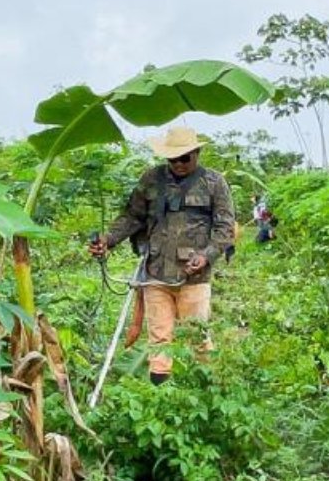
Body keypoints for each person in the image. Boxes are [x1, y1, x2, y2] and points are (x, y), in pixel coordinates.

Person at [90, 125, 235, 384]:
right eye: (172, 158)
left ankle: (202, 392)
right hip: (155, 272)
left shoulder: (214, 183)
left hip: (194, 276)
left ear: (196, 153)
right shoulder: (151, 179)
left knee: (197, 337)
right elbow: (132, 217)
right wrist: (108, 240)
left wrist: (207, 255)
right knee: (159, 339)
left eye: (184, 158)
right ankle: (160, 393)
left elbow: (225, 228)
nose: (178, 163)